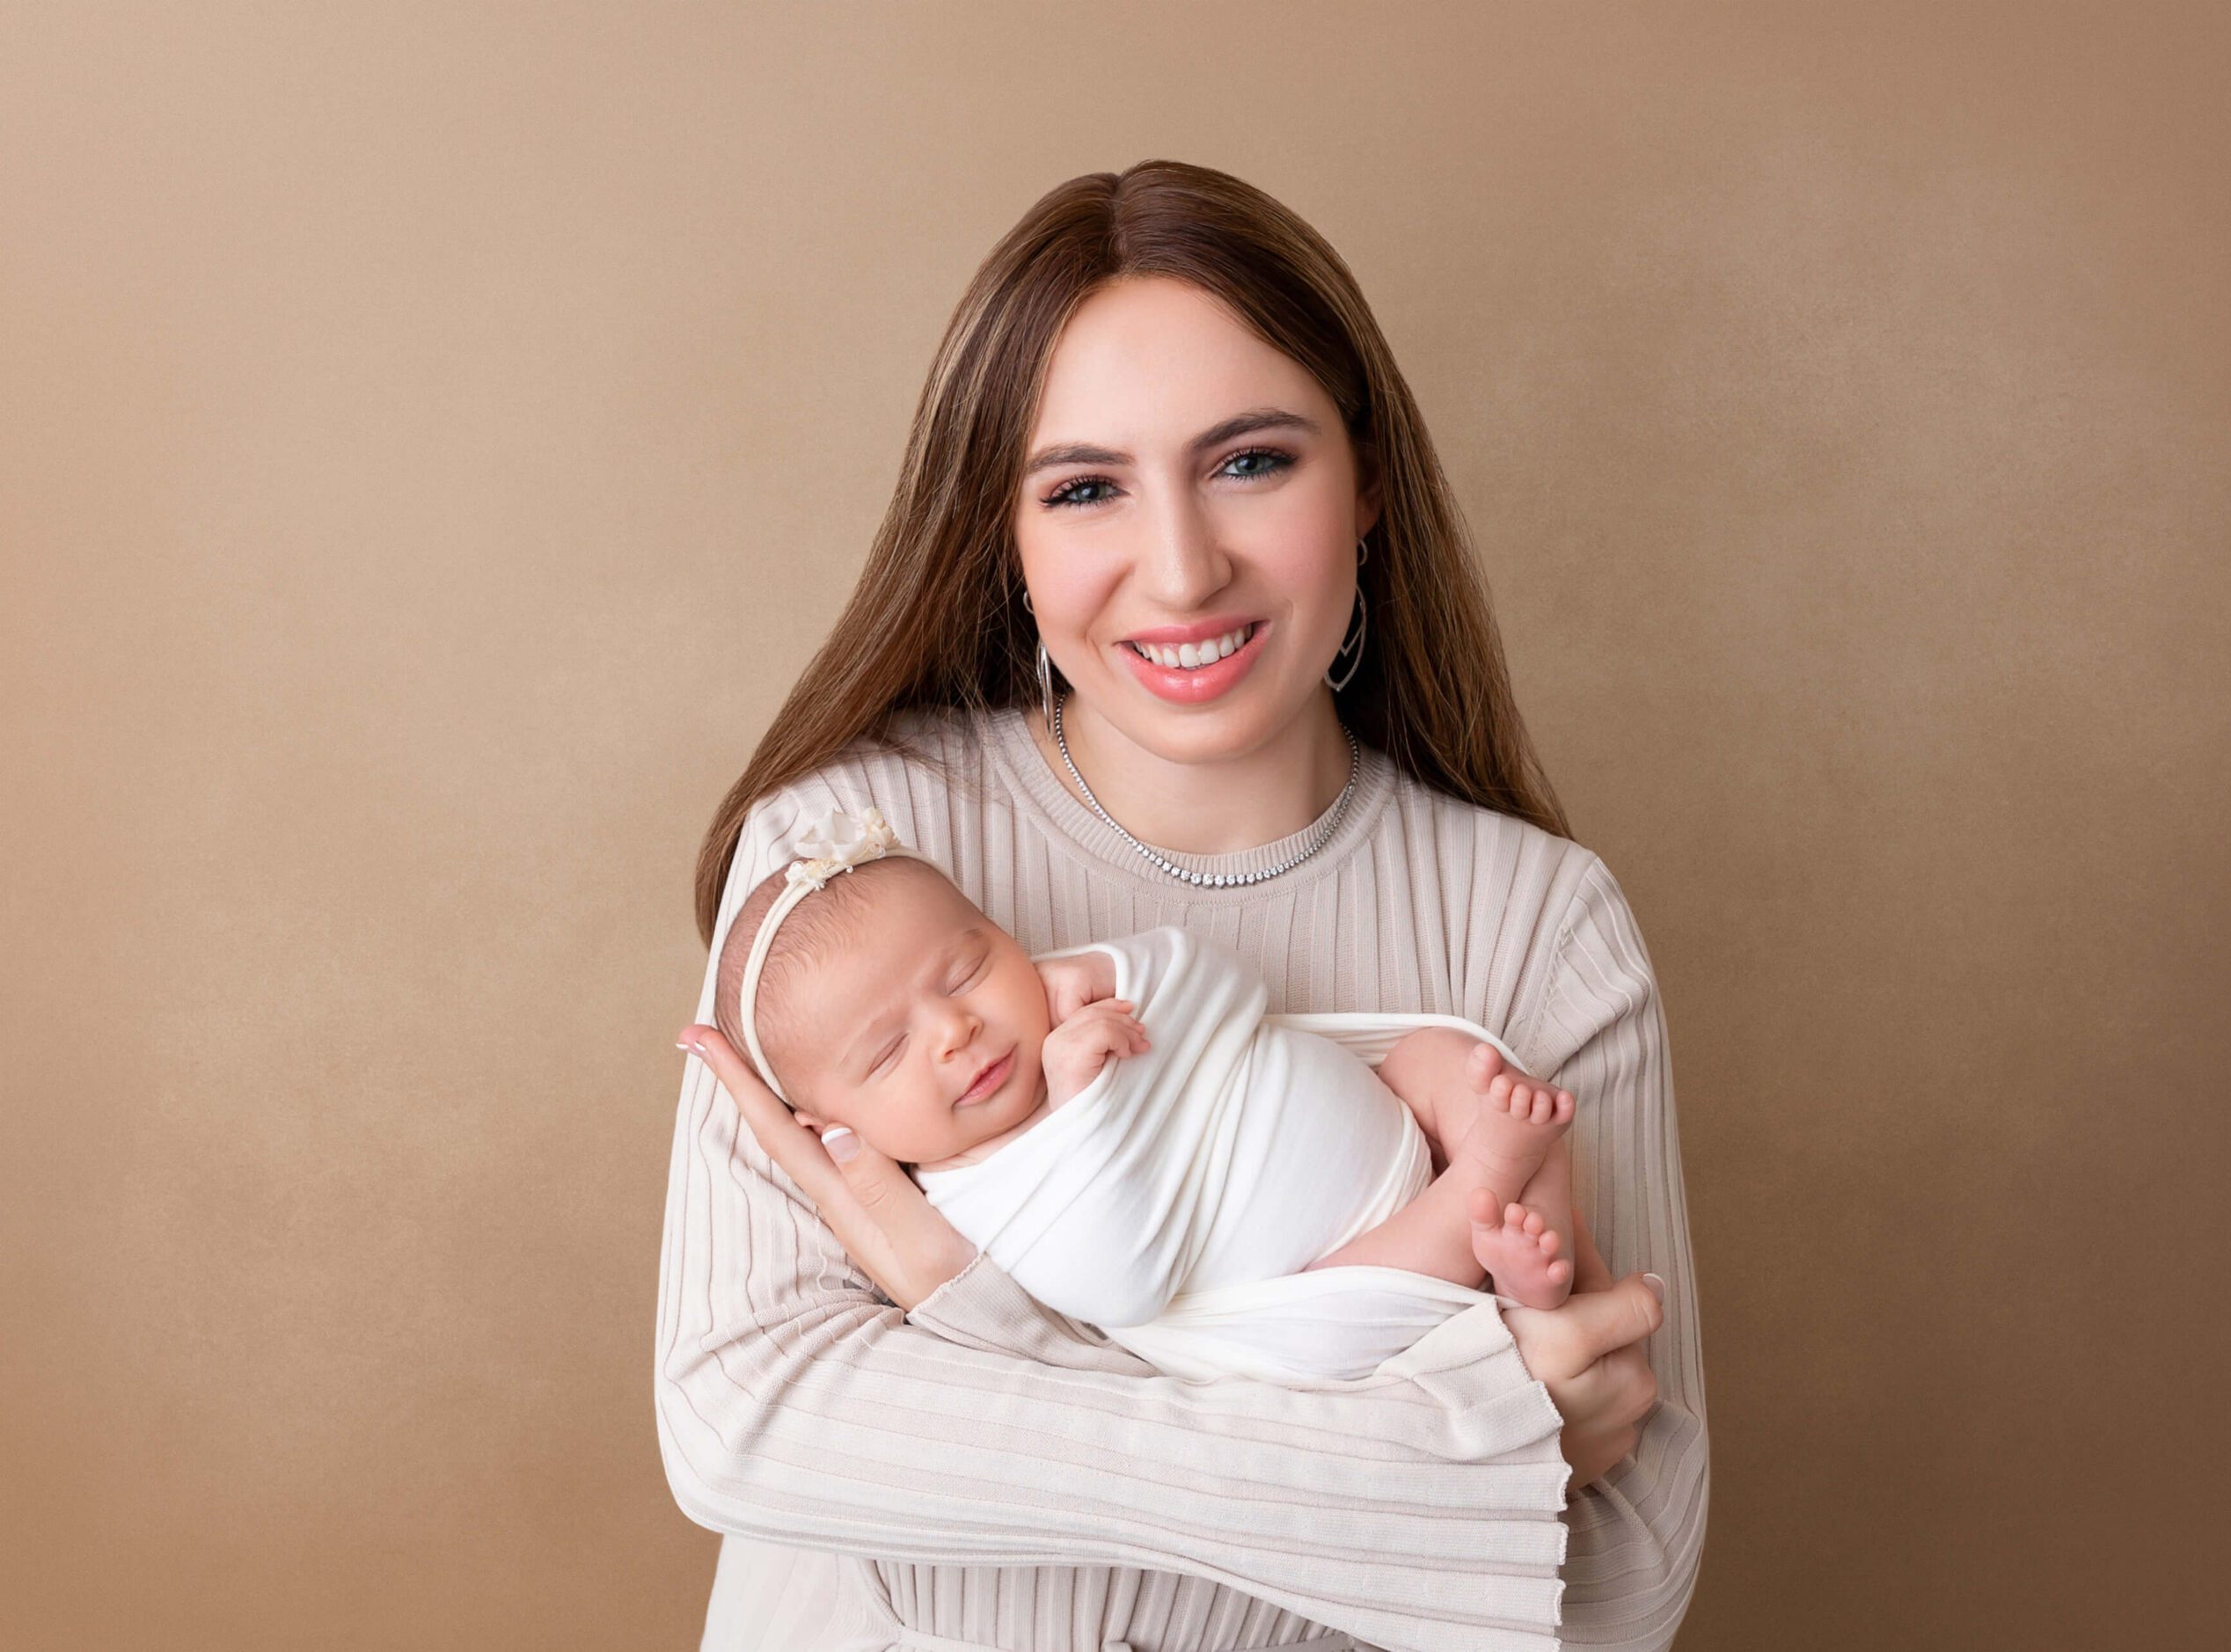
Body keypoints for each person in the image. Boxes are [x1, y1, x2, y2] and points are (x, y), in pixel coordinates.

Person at [658, 159, 1708, 1652]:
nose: (1180, 566)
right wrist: (1454, 1463)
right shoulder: (848, 853)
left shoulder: (1537, 922)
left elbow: (1620, 1576)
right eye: (1086, 487)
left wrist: (973, 1367)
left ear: (1369, 487)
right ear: (1003, 541)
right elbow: (749, 1422)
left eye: (1251, 462)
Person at [708, 808, 1581, 1385]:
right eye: (889, 1050)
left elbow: (1226, 991)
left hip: (1397, 1117)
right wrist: (1083, 1102)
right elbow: (1120, 1282)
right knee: (1341, 1321)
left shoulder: (1067, 1004)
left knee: (1442, 1053)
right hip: (1329, 1280)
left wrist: (1106, 971)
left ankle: (1510, 1245)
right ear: (833, 1129)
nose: (954, 1030)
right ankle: (1492, 1194)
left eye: (968, 969)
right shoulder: (974, 1196)